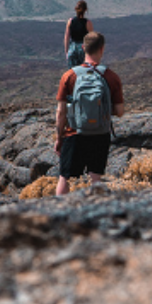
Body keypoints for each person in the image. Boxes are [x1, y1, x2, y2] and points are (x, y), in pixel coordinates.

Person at [54, 31, 125, 194]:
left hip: (74, 133)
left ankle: (58, 214)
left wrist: (59, 138)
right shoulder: (111, 77)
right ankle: (95, 212)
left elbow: (61, 113)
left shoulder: (69, 76)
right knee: (95, 178)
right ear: (102, 49)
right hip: (100, 133)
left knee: (65, 178)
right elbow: (120, 111)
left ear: (83, 48)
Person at [64, 0, 92, 67]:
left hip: (72, 48)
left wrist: (67, 52)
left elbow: (67, 37)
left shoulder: (70, 21)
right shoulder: (88, 23)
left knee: (72, 72)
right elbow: (92, 39)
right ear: (85, 10)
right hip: (83, 49)